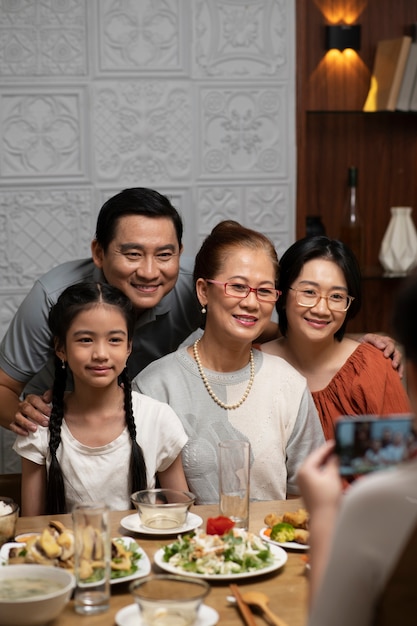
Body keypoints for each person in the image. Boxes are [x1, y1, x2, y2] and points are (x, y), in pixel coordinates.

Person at [135, 221, 325, 504]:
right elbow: (143, 502)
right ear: (203, 291)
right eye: (237, 286)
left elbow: (307, 495)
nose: (251, 302)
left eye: (264, 291)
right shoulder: (154, 387)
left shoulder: (288, 384)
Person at [0, 187, 202, 436]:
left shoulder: (197, 286)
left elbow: (254, 324)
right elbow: (3, 388)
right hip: (66, 429)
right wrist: (30, 419)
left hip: (148, 427)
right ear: (98, 252)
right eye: (133, 254)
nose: (149, 272)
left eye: (164, 255)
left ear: (179, 253)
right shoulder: (52, 297)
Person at [297, 269, 417, 626]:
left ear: (407, 366)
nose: (322, 307)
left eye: (337, 296)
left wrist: (322, 514)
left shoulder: (380, 503)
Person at [13, 282, 188, 516]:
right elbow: (32, 528)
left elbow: (182, 515)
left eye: (114, 340)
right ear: (60, 348)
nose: (101, 354)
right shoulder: (41, 424)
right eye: (85, 340)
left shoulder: (157, 418)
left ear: (129, 347)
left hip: (141, 550)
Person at [261, 236, 411, 439]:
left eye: (337, 296)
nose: (322, 309)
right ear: (283, 295)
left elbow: (399, 462)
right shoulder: (251, 366)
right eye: (309, 292)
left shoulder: (372, 368)